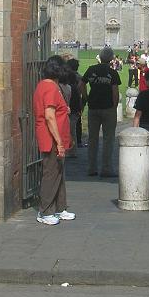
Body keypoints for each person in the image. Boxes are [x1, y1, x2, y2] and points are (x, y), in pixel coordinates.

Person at [33, 55, 75, 224]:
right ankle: (45, 211)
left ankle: (60, 207)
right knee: (51, 173)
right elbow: (49, 116)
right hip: (50, 139)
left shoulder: (48, 86)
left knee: (58, 172)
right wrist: (58, 142)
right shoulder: (50, 88)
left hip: (56, 137)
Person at [82, 46, 121, 177]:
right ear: (111, 59)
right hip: (108, 107)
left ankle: (91, 168)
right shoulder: (113, 73)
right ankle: (106, 168)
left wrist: (86, 97)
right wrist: (114, 106)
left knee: (92, 139)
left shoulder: (91, 70)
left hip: (93, 107)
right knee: (108, 139)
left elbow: (81, 84)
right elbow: (115, 92)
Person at [65, 57, 83, 158]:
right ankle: (76, 144)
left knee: (71, 130)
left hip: (72, 105)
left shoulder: (69, 78)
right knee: (75, 127)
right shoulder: (79, 77)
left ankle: (72, 150)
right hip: (76, 104)